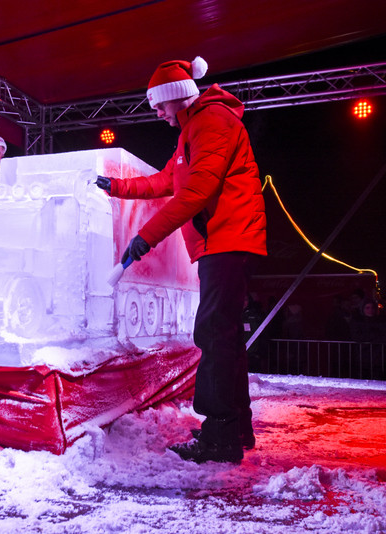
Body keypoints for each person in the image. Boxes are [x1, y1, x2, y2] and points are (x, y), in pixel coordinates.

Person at [96, 56, 266, 464]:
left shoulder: (212, 122)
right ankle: (235, 428)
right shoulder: (193, 129)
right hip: (220, 239)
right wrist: (116, 186)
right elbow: (166, 182)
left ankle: (219, 436)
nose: (155, 112)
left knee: (212, 333)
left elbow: (197, 193)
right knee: (223, 335)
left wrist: (144, 238)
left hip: (226, 237)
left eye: (159, 104)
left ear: (177, 97)